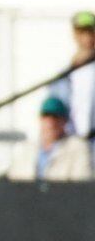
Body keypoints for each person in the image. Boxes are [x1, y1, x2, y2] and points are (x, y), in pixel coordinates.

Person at [6, 96, 91, 182]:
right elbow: (15, 183)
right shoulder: (26, 150)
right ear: (40, 119)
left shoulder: (77, 148)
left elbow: (81, 185)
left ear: (65, 121)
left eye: (56, 117)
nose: (51, 122)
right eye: (47, 116)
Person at [45, 11, 95, 154]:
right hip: (70, 142)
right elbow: (53, 109)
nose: (87, 38)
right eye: (82, 32)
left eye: (90, 32)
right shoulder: (64, 73)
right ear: (75, 34)